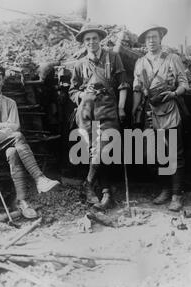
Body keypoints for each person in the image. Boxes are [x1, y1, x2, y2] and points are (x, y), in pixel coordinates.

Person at [0, 64, 59, 219]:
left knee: (13, 152)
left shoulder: (10, 103)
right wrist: (4, 127)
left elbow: (15, 125)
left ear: (3, 81)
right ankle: (39, 178)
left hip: (7, 144)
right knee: (17, 136)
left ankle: (21, 201)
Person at [69, 24, 129, 211]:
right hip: (86, 112)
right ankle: (105, 190)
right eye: (87, 39)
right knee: (94, 151)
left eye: (94, 38)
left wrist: (120, 107)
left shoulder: (112, 57)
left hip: (108, 110)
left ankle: (87, 184)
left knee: (104, 148)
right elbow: (72, 90)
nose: (91, 42)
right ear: (84, 42)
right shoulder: (80, 64)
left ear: (100, 39)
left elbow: (123, 85)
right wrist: (83, 95)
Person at [132, 25, 189, 212]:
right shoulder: (140, 62)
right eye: (147, 38)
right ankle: (165, 189)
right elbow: (137, 88)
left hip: (170, 110)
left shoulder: (172, 59)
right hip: (150, 112)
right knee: (154, 154)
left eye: (154, 37)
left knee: (173, 153)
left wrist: (173, 94)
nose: (151, 40)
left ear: (161, 38)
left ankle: (176, 194)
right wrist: (135, 109)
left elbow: (184, 83)